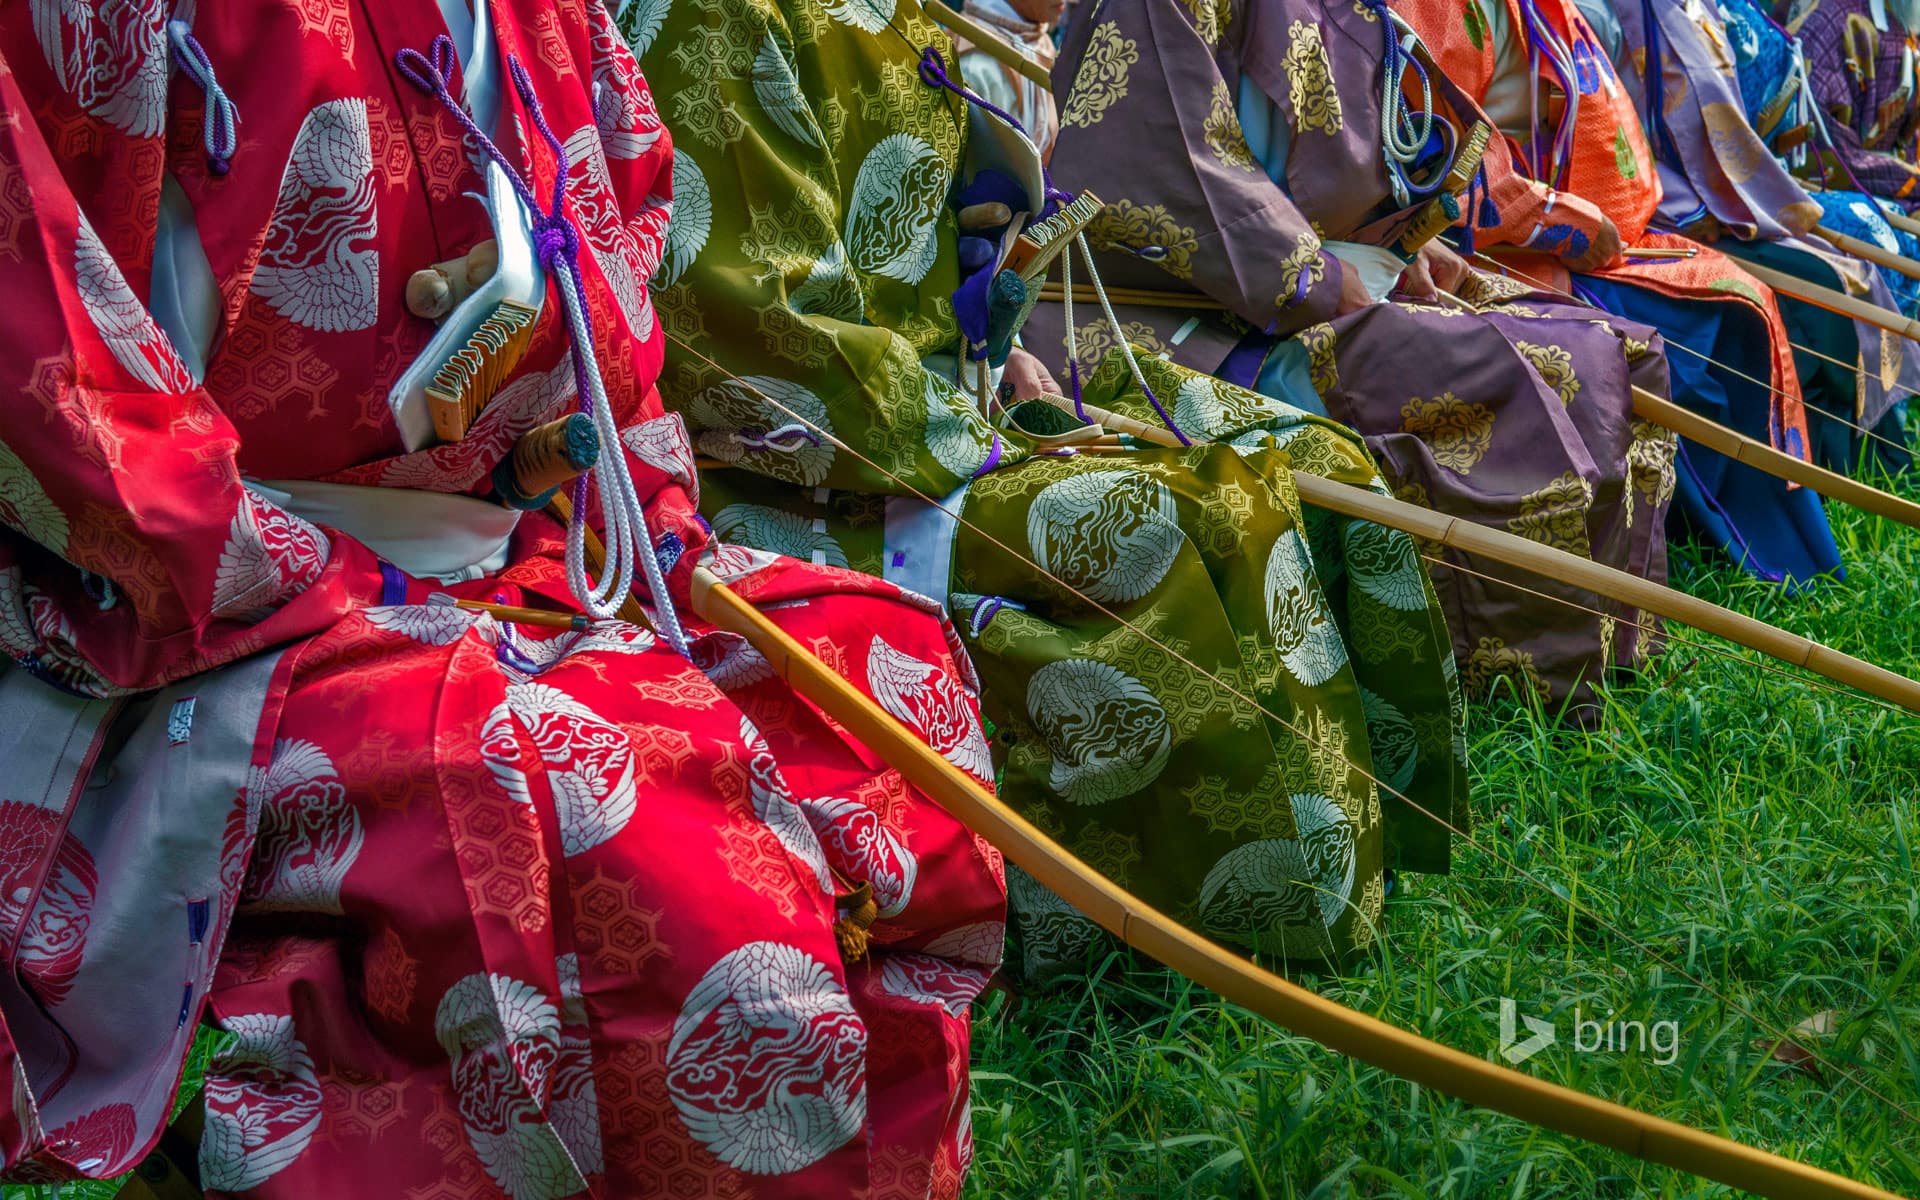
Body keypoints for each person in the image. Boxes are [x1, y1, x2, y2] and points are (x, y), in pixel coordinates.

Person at [0, 1, 1006, 1194]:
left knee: (871, 668)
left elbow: (613, 259)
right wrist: (322, 576)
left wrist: (624, 511)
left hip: (519, 534)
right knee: (581, 787)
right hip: (192, 606)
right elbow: (47, 367)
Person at [625, 0, 1471, 980]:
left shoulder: (908, 12)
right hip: (800, 469)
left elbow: (947, 251)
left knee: (1310, 460)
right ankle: (1184, 935)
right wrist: (970, 439)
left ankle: (1378, 840)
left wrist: (1012, 348)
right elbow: (757, 333)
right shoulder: (714, 16)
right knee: (1171, 517)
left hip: (943, 407)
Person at [1039, 0, 1680, 708]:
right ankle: (1534, 684)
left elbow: (1359, 156)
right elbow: (1170, 166)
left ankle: (1621, 646)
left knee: (1619, 349)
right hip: (1181, 322)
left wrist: (1405, 240)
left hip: (1320, 284)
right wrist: (1319, 278)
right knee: (1529, 370)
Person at [1401, 0, 1845, 589]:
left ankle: (1759, 532)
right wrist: (1565, 224)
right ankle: (1713, 533)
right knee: (1689, 327)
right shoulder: (1433, 8)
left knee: (1741, 291)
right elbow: (1437, 152)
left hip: (1585, 225)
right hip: (1489, 244)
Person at [1602, 0, 1918, 475]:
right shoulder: (1837, 17)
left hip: (1739, 186)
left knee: (1848, 262)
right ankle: (1842, 459)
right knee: (1834, 269)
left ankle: (1872, 447)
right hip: (1671, 198)